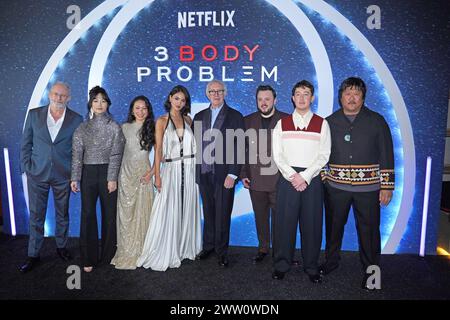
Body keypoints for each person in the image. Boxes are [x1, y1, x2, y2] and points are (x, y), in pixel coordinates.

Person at [320, 77, 395, 290]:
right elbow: (320, 154)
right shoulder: (329, 122)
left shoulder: (377, 121)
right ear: (340, 97)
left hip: (369, 190)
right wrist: (326, 180)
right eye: (347, 93)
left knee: (369, 231)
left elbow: (387, 154)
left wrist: (387, 186)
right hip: (336, 189)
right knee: (334, 228)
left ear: (363, 97)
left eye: (356, 94)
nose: (351, 98)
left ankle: (372, 271)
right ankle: (331, 262)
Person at [19, 82, 83, 273]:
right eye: (55, 94)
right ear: (49, 94)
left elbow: (77, 151)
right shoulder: (34, 115)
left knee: (62, 214)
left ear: (69, 98)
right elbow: (25, 144)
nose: (58, 98)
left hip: (63, 176)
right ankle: (33, 254)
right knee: (36, 216)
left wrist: (74, 175)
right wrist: (27, 168)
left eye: (63, 95)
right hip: (37, 174)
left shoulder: (77, 119)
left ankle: (61, 248)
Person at [271, 80, 331, 283]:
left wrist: (304, 176)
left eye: (306, 94)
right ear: (292, 98)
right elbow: (277, 155)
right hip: (288, 179)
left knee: (312, 225)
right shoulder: (283, 123)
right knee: (284, 224)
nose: (302, 98)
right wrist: (293, 176)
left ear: (312, 97)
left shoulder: (322, 123)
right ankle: (281, 265)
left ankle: (311, 266)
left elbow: (324, 155)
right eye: (298, 94)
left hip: (311, 180)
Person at [137, 85, 201, 271]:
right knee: (168, 208)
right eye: (177, 98)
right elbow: (158, 151)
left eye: (183, 100)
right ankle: (166, 249)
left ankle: (184, 248)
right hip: (171, 169)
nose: (179, 103)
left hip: (189, 169)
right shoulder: (162, 121)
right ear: (170, 98)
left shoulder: (188, 119)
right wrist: (156, 176)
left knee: (187, 207)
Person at [71, 86, 125, 273]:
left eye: (103, 100)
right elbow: (77, 154)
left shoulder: (114, 126)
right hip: (87, 173)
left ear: (108, 103)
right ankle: (88, 258)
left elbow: (116, 154)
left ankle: (109, 255)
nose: (99, 104)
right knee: (87, 215)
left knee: (109, 216)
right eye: (96, 100)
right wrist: (75, 178)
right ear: (90, 104)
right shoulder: (82, 127)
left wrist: (112, 178)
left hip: (108, 173)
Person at [193, 79, 245, 267]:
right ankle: (208, 247)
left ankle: (222, 252)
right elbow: (195, 146)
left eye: (219, 91)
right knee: (208, 212)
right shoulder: (199, 117)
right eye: (212, 91)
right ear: (207, 94)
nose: (216, 94)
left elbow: (240, 147)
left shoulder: (235, 116)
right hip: (204, 174)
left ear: (225, 93)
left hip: (225, 176)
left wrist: (233, 174)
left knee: (223, 214)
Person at [240, 85, 288, 264]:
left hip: (279, 180)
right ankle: (263, 248)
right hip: (255, 180)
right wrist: (243, 173)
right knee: (260, 216)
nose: (264, 102)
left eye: (267, 99)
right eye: (260, 99)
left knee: (279, 219)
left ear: (275, 100)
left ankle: (280, 251)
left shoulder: (286, 120)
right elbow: (242, 150)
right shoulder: (247, 121)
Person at [111, 96, 155, 270]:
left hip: (144, 173)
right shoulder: (124, 128)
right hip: (125, 174)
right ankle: (127, 250)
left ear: (148, 110)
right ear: (132, 110)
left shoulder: (153, 128)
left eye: (144, 108)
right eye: (137, 108)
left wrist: (151, 174)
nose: (140, 111)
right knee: (126, 213)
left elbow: (162, 154)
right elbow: (116, 153)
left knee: (144, 212)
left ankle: (142, 250)